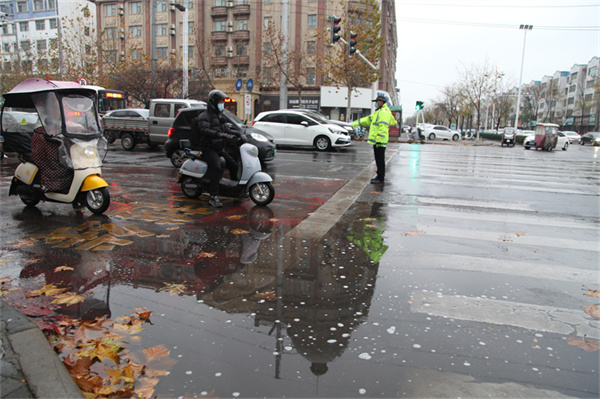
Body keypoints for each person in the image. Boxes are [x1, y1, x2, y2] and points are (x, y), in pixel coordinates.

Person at [194, 89, 240, 208]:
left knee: (233, 165)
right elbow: (204, 130)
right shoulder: (205, 116)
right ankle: (213, 196)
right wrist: (218, 134)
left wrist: (239, 133)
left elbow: (226, 129)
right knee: (216, 167)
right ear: (213, 102)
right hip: (208, 148)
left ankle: (235, 190)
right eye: (220, 101)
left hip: (219, 148)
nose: (222, 104)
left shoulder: (219, 116)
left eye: (222, 102)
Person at [352, 95, 397, 184]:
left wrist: (379, 140)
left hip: (379, 141)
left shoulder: (383, 112)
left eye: (378, 101)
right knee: (379, 159)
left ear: (382, 102)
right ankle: (379, 175)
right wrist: (354, 123)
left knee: (380, 159)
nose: (376, 103)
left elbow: (383, 127)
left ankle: (380, 177)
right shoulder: (379, 112)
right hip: (378, 140)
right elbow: (368, 120)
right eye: (376, 101)